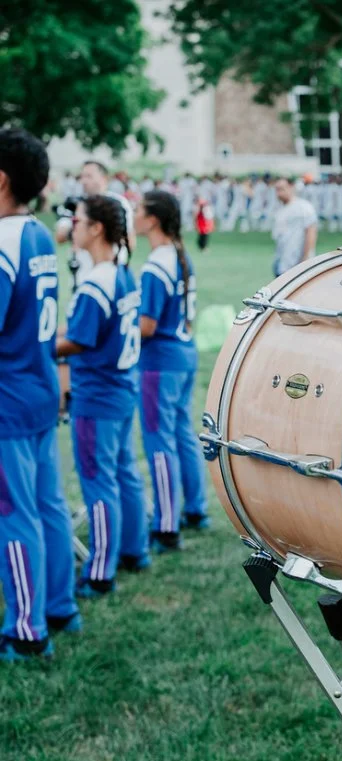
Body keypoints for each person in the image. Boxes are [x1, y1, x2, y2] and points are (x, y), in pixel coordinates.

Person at [0, 128, 81, 661]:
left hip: (9, 394)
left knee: (15, 512)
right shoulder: (37, 235)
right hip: (39, 384)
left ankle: (26, 629)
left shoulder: (3, 241)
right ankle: (60, 605)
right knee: (48, 504)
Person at [56, 195, 149, 595]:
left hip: (98, 392)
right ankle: (135, 549)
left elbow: (77, 341)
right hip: (121, 386)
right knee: (123, 472)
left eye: (77, 221)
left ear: (95, 228)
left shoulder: (97, 281)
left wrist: (36, 344)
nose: (71, 227)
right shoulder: (121, 271)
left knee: (98, 482)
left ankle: (100, 570)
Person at [135, 190, 208, 540]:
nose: (133, 215)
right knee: (181, 434)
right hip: (183, 353)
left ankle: (166, 523)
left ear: (152, 220)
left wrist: (114, 330)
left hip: (160, 361)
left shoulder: (155, 265)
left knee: (159, 441)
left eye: (138, 210)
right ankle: (195, 509)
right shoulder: (179, 255)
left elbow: (146, 326)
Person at [54, 161, 135, 281]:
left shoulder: (118, 203)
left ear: (104, 178)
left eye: (89, 176)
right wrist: (79, 225)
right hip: (83, 273)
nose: (84, 181)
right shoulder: (75, 204)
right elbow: (59, 236)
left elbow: (130, 240)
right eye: (82, 176)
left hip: (112, 271)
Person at [270, 177, 318, 276]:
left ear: (291, 187)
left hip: (298, 264)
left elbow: (311, 232)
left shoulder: (303, 207)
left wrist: (305, 260)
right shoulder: (280, 210)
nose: (279, 193)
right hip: (282, 263)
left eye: (282, 189)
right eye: (277, 190)